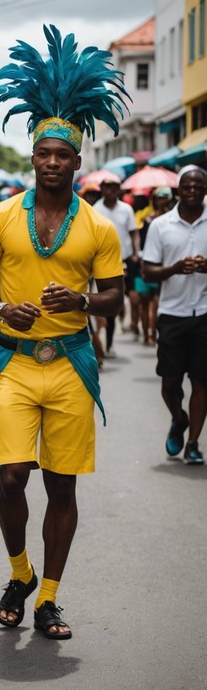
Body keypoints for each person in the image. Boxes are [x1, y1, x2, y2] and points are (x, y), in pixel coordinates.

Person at [0, 24, 127, 639]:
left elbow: (115, 298)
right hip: (12, 361)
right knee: (11, 476)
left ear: (78, 160)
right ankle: (19, 571)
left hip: (70, 363)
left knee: (62, 484)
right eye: (44, 153)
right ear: (31, 157)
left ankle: (50, 598)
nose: (54, 162)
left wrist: (84, 300)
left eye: (64, 154)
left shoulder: (100, 227)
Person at [141, 165, 207, 465]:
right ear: (178, 190)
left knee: (201, 381)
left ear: (204, 189)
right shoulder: (160, 225)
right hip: (172, 313)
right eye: (187, 185)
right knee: (170, 384)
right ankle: (178, 419)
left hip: (204, 313)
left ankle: (193, 443)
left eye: (198, 185)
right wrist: (176, 268)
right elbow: (148, 271)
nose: (192, 190)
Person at [93, 175, 139, 355]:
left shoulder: (126, 209)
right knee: (104, 302)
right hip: (101, 261)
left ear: (118, 190)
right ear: (102, 189)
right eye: (106, 187)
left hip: (125, 258)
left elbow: (134, 233)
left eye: (113, 187)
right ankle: (102, 344)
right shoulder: (95, 209)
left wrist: (136, 253)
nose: (110, 191)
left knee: (130, 296)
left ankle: (126, 329)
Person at [136, 187, 172, 346]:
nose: (162, 201)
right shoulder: (147, 217)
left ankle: (153, 333)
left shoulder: (172, 220)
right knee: (144, 303)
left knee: (156, 302)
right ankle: (145, 334)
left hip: (163, 268)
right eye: (159, 198)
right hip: (145, 265)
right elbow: (140, 239)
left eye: (165, 198)